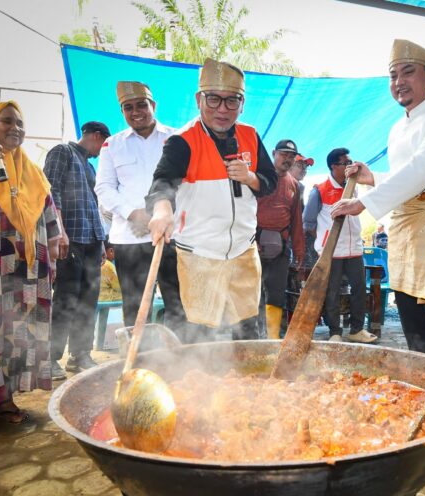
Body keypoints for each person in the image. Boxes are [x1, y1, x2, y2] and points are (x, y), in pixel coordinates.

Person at [331, 39, 425, 468]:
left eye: (409, 71)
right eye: (393, 73)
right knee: (418, 337)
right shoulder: (397, 128)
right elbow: (403, 176)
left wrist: (366, 203)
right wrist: (370, 178)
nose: (399, 81)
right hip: (407, 232)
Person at [146, 58, 277, 342]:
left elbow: (270, 182)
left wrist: (251, 177)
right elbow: (162, 182)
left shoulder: (250, 136)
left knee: (249, 332)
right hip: (200, 255)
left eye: (232, 101)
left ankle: (251, 383)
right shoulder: (183, 141)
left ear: (242, 104)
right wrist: (162, 210)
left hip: (243, 251)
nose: (222, 109)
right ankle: (196, 384)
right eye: (214, 99)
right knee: (197, 337)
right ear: (199, 99)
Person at [0, 100, 61, 422]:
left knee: (15, 330)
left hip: (27, 269)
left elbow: (50, 215)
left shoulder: (33, 172)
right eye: (6, 122)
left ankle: (5, 398)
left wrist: (55, 242)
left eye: (20, 123)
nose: (15, 129)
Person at [95, 81, 188, 338]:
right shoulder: (112, 145)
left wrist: (166, 214)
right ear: (122, 112)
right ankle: (138, 364)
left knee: (178, 303)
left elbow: (189, 184)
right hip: (130, 238)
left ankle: (181, 365)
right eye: (128, 107)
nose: (136, 111)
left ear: (153, 106)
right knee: (136, 307)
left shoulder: (178, 139)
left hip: (174, 237)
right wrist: (135, 214)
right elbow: (103, 188)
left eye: (141, 105)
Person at [45, 120, 110, 376]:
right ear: (96, 136)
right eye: (103, 144)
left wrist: (102, 242)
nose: (102, 151)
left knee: (88, 300)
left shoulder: (89, 166)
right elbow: (51, 191)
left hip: (92, 240)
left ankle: (80, 355)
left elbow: (94, 206)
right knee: (65, 298)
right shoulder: (62, 152)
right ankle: (50, 359)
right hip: (70, 238)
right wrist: (58, 231)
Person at [303, 148, 377, 344]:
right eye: (345, 163)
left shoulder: (354, 186)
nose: (349, 166)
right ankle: (334, 331)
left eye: (350, 161)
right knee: (332, 292)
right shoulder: (319, 189)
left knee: (360, 289)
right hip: (332, 251)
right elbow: (308, 223)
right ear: (333, 166)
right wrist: (325, 241)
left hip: (354, 250)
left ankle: (357, 329)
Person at [256, 139, 305, 338]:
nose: (288, 159)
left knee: (276, 293)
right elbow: (244, 211)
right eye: (284, 154)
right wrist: (250, 240)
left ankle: (272, 338)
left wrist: (299, 252)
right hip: (254, 243)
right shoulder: (258, 178)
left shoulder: (295, 186)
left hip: (281, 246)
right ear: (274, 153)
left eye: (291, 156)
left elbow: (297, 222)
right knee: (253, 293)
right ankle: (254, 337)